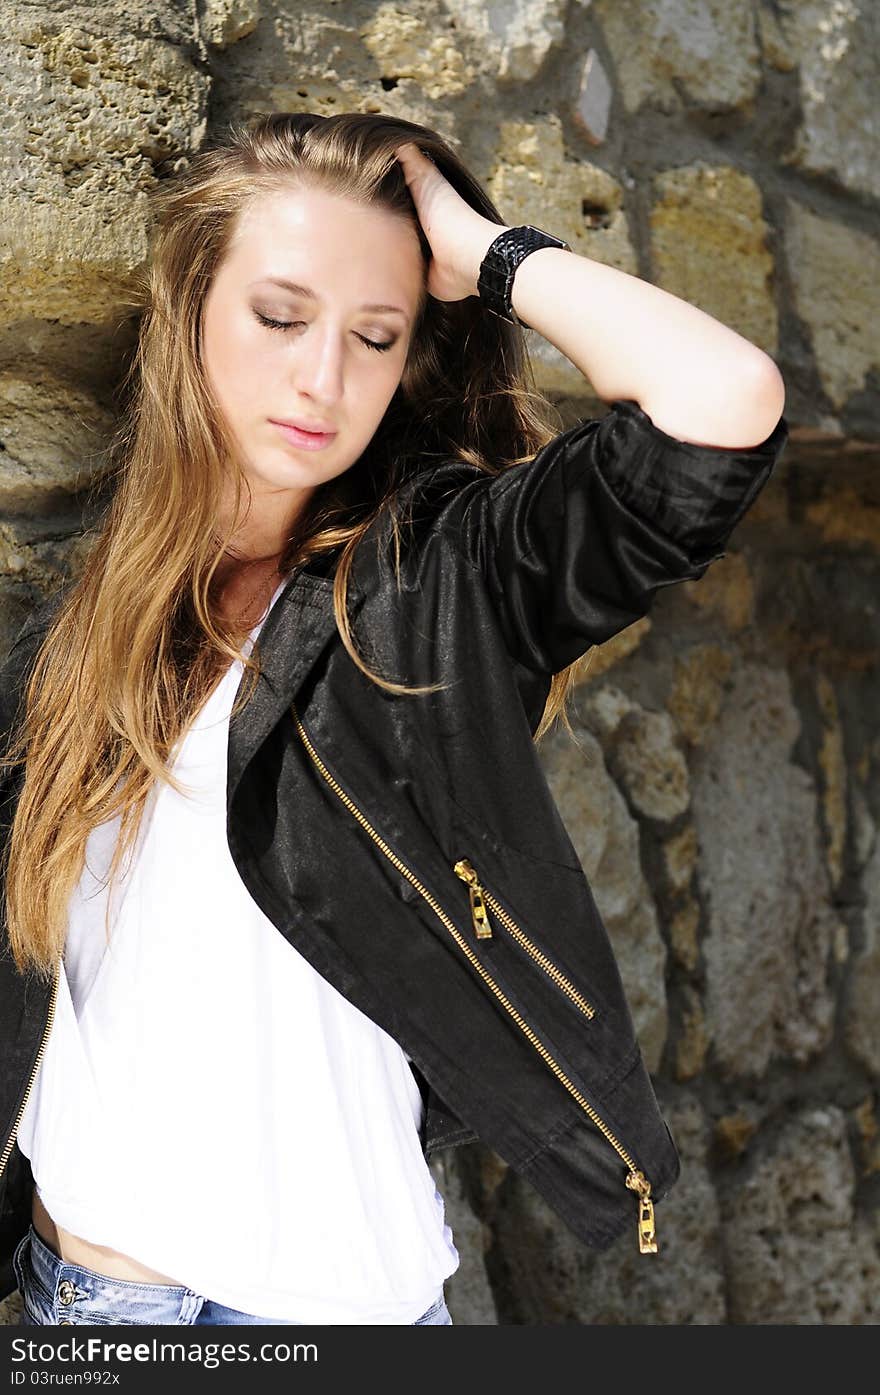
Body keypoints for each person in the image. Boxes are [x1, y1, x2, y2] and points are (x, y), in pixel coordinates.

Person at [0, 111, 788, 1327]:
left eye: (375, 336)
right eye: (279, 317)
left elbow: (719, 405)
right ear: (191, 309)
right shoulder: (77, 613)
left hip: (341, 1306)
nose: (324, 379)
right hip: (96, 1291)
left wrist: (485, 253)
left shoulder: (431, 587)